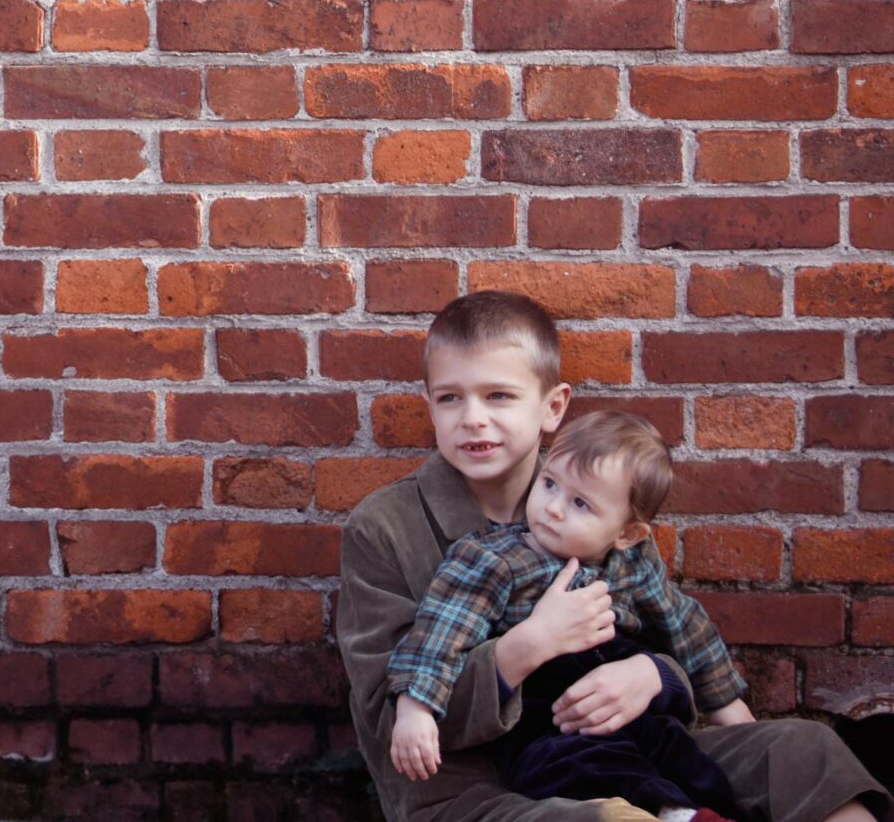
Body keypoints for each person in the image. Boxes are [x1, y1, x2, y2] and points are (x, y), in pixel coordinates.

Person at [336, 290, 891, 822]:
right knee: (595, 817)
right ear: (429, 405)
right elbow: (389, 724)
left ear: (553, 407)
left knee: (803, 750)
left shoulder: (601, 495)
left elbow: (669, 623)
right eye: (450, 397)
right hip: (477, 789)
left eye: (499, 395)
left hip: (635, 745)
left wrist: (654, 676)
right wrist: (525, 647)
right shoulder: (384, 529)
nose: (473, 418)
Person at [389, 410, 745, 820]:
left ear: (627, 534)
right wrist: (415, 709)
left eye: (579, 503)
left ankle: (698, 811)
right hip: (546, 720)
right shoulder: (493, 559)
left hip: (625, 707)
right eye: (549, 484)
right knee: (587, 766)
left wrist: (730, 709)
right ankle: (671, 814)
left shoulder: (630, 565)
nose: (553, 509)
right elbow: (440, 631)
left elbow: (686, 629)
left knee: (682, 755)